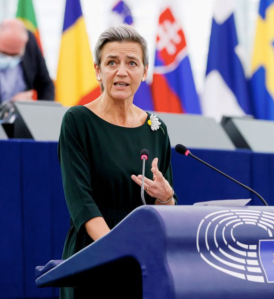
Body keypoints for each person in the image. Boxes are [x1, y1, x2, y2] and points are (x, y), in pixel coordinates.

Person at [58, 25, 177, 299]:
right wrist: (118, 250)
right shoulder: (78, 121)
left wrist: (167, 197)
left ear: (144, 71)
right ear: (98, 70)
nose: (121, 71)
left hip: (143, 260)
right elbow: (82, 204)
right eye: (112, 62)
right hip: (94, 255)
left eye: (132, 63)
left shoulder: (156, 128)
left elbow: (166, 209)